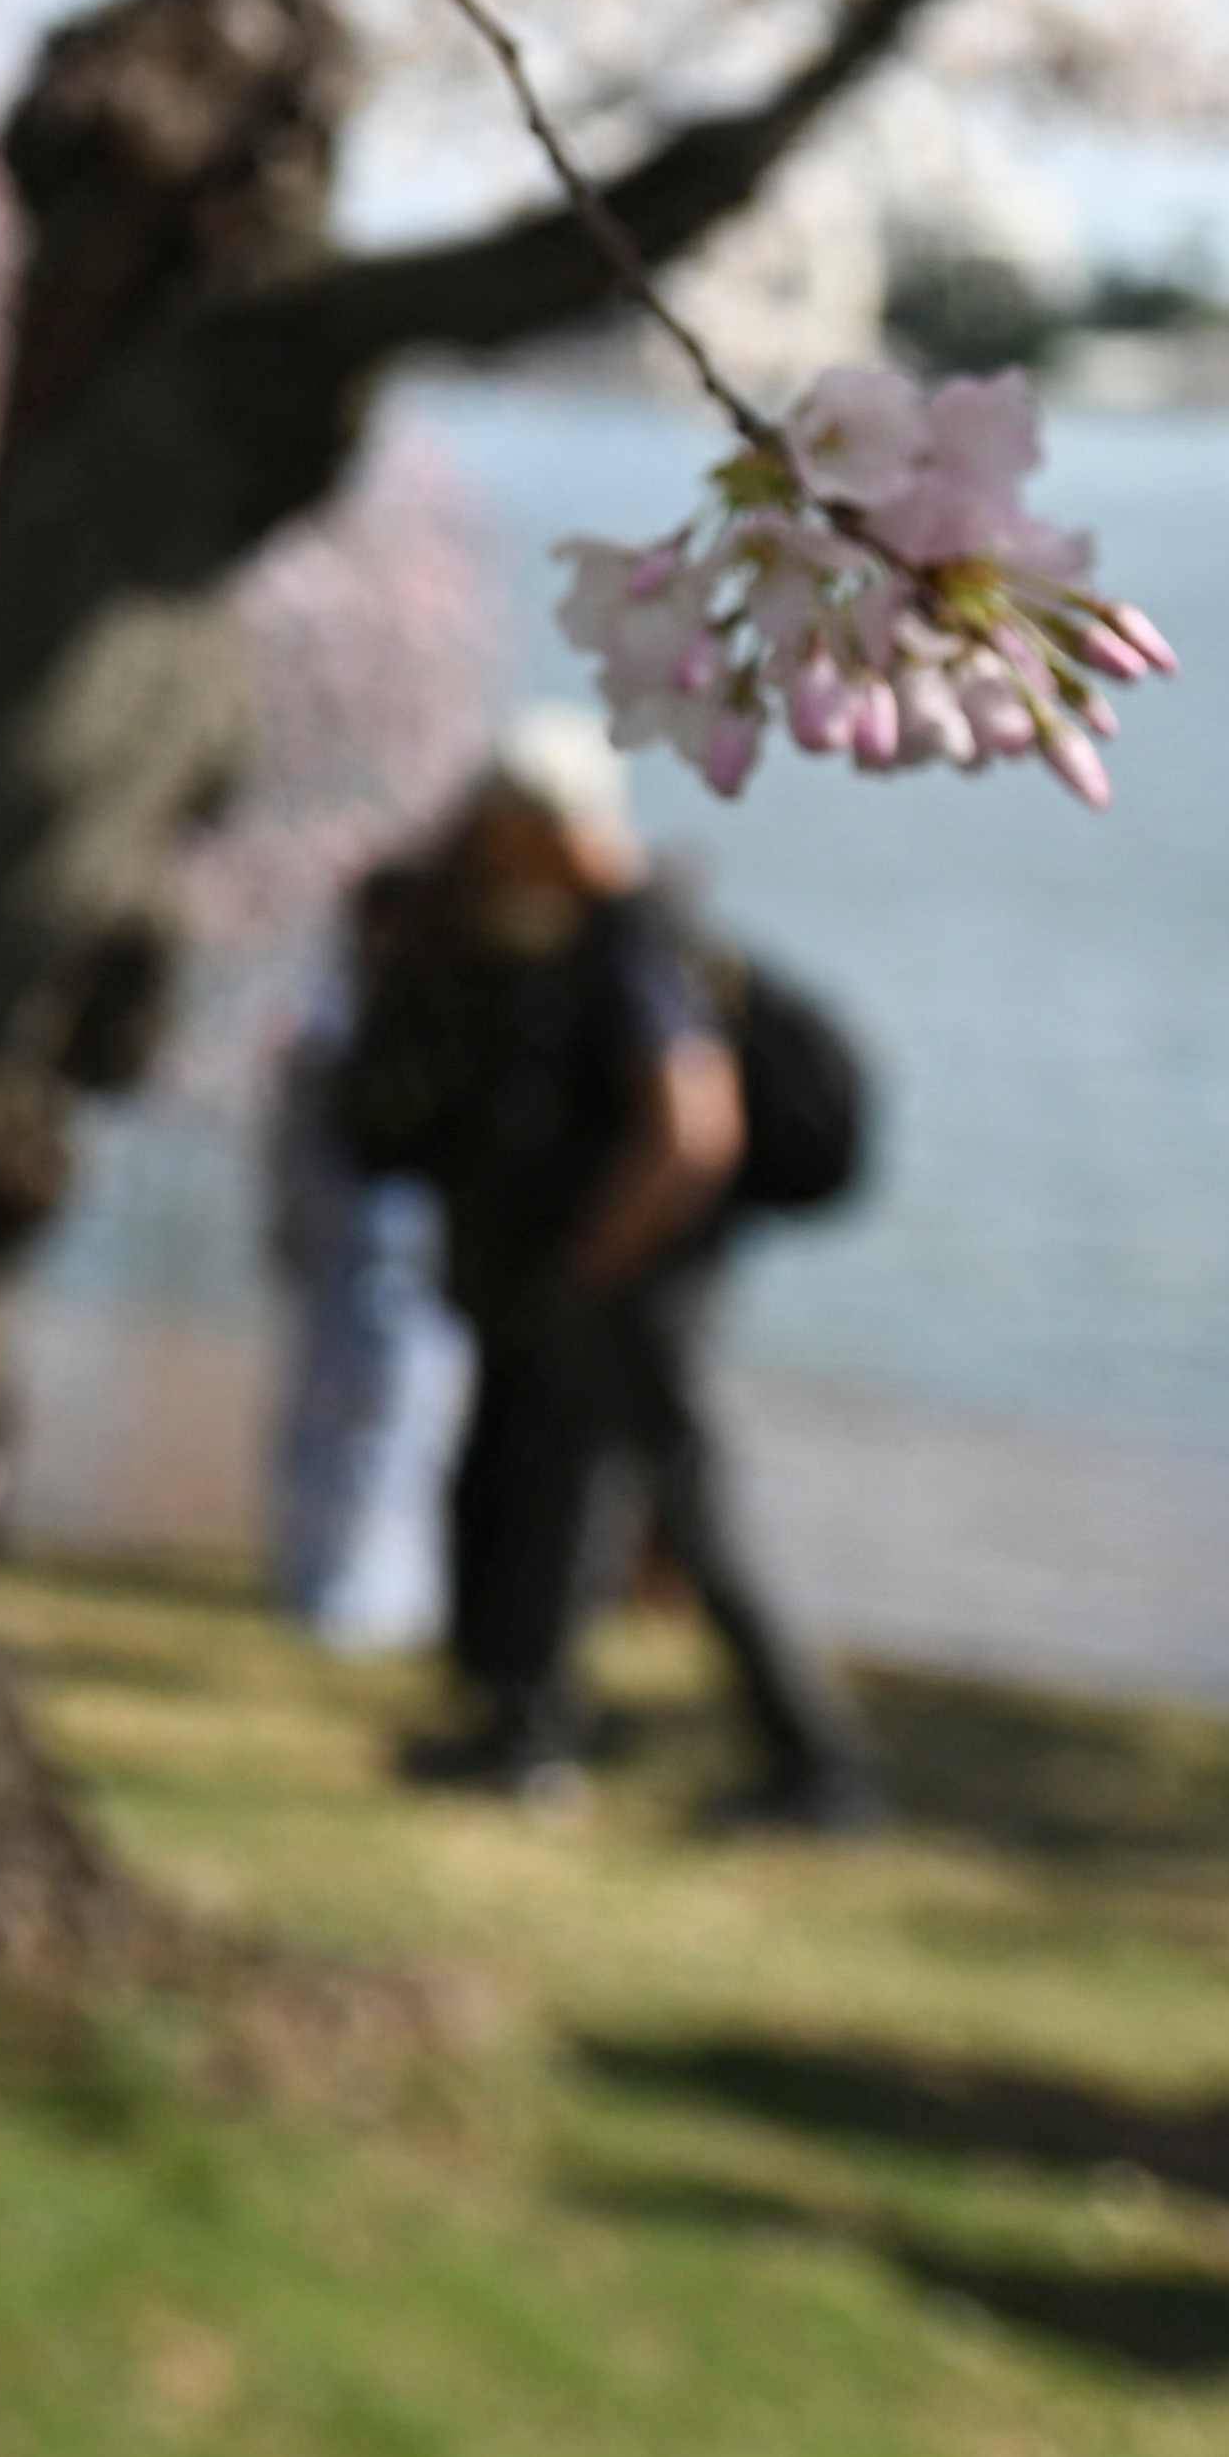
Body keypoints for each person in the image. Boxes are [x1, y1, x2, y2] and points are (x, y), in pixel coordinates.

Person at [344, 710, 871, 1831]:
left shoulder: (635, 938)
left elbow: (690, 1131)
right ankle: (529, 1728)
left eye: (505, 824)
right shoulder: (585, 934)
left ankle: (813, 1766)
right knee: (562, 1496)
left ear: (548, 823)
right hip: (617, 1274)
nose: (488, 847)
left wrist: (591, 1263)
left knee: (681, 1511)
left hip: (640, 1283)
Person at [255, 844, 469, 1658]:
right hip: (366, 1240)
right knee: (367, 1415)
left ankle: (365, 1590)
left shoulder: (358, 1011)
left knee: (379, 1415)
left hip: (384, 1242)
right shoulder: (343, 1016)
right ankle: (342, 1593)